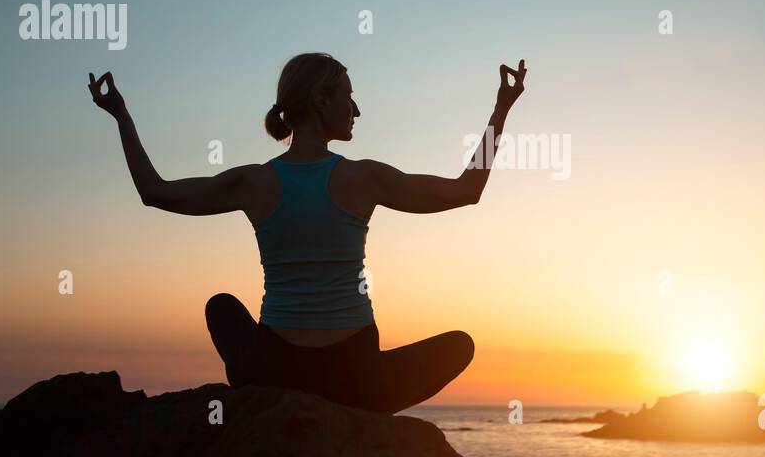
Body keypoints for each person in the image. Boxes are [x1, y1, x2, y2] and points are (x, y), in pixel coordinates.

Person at [87, 53, 526, 414]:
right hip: (356, 381)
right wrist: (501, 109)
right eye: (349, 98)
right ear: (320, 101)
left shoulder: (255, 182)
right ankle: (366, 407)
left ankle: (262, 399)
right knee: (459, 347)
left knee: (220, 307)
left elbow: (154, 192)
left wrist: (121, 116)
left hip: (275, 372)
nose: (356, 110)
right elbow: (467, 190)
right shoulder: (364, 177)